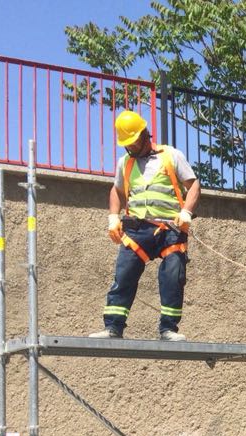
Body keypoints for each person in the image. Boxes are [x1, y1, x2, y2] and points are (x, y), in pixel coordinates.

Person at [89, 110, 200, 341]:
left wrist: (187, 212)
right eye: (126, 144)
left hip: (170, 230)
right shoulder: (125, 163)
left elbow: (194, 185)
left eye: (132, 141)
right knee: (124, 275)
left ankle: (168, 329)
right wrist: (113, 217)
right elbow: (117, 191)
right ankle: (113, 327)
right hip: (137, 230)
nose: (129, 147)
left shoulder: (171, 155)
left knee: (173, 277)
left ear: (144, 134)